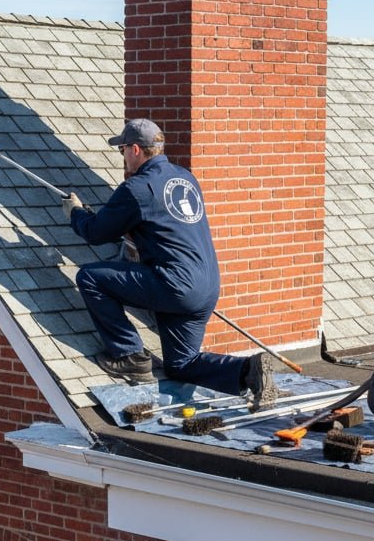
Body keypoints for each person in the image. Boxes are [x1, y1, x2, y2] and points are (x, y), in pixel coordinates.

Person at [63, 117, 278, 407]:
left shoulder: (137, 188)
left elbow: (96, 232)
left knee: (90, 277)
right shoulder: (185, 178)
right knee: (181, 364)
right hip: (206, 286)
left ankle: (129, 356)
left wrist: (76, 213)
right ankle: (247, 371)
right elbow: (164, 223)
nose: (123, 155)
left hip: (173, 285)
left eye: (123, 149)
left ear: (136, 149)